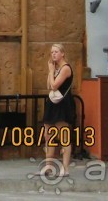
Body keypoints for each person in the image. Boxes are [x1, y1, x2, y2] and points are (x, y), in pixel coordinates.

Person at [41, 43, 75, 177]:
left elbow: (55, 86)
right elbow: (48, 85)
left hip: (62, 104)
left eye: (56, 52)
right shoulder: (55, 68)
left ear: (62, 53)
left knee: (63, 136)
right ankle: (48, 166)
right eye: (52, 52)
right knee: (48, 135)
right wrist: (51, 71)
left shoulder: (66, 68)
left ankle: (65, 168)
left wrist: (50, 71)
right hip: (52, 102)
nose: (53, 54)